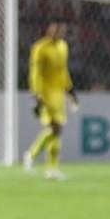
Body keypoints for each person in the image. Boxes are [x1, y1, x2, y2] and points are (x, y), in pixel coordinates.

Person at [23, 21, 80, 180]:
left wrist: (70, 91)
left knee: (57, 130)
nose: (59, 33)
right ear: (49, 30)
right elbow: (35, 73)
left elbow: (63, 71)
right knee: (56, 128)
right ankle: (47, 165)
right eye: (56, 30)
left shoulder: (63, 47)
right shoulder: (40, 48)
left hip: (58, 94)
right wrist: (36, 95)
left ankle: (36, 158)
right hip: (44, 93)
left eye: (62, 31)